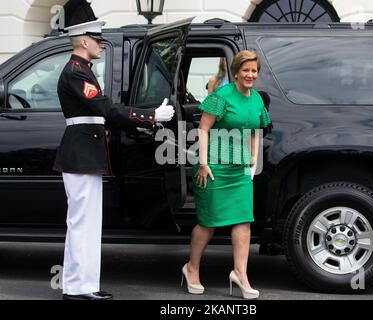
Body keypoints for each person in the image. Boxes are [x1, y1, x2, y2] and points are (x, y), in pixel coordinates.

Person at [53, 20, 174, 300]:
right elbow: (106, 108)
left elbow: (102, 115)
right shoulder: (75, 73)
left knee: (86, 223)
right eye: (97, 39)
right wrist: (150, 115)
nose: (101, 44)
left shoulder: (82, 71)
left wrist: (141, 124)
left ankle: (81, 286)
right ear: (84, 41)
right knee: (83, 223)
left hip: (85, 154)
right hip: (80, 156)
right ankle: (78, 289)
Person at [181, 50, 271, 299]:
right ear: (236, 71)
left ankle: (240, 275)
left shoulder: (256, 100)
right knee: (208, 223)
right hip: (214, 168)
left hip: (240, 169)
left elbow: (256, 131)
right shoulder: (221, 95)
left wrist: (253, 163)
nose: (250, 75)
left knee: (243, 221)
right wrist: (203, 163)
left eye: (254, 71)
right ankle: (192, 268)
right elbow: (203, 129)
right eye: (246, 70)